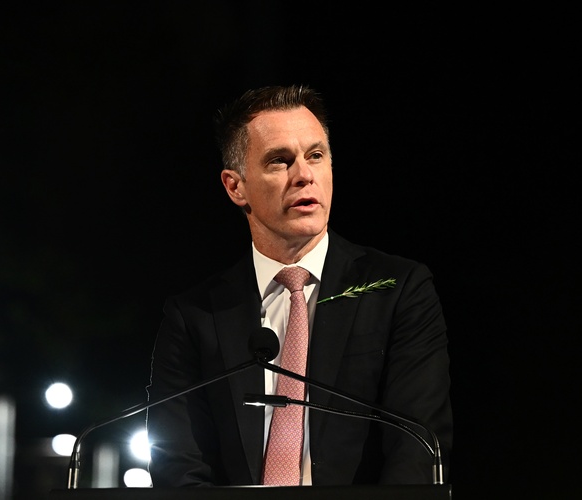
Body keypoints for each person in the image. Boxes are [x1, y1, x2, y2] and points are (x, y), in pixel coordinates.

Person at [146, 84, 452, 487]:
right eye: (280, 161)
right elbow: (177, 465)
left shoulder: (398, 290)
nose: (304, 175)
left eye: (316, 155)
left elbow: (417, 448)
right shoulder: (194, 316)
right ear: (235, 186)